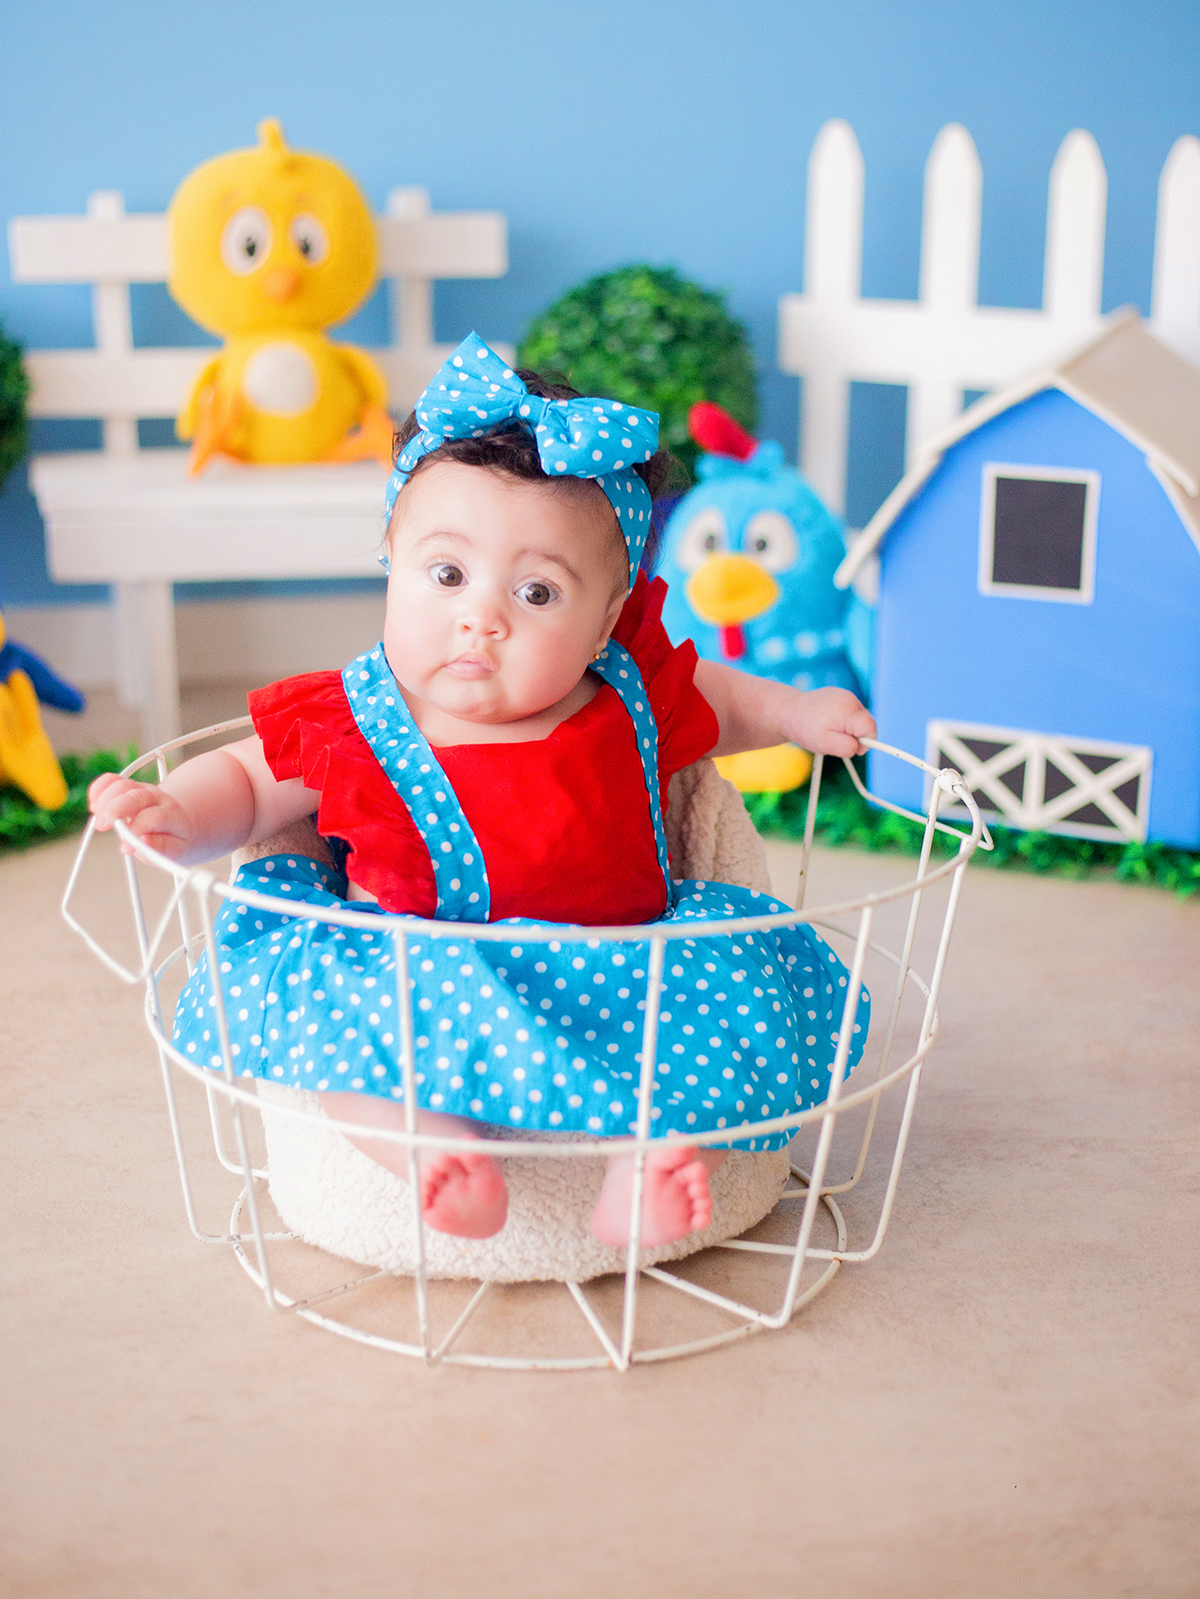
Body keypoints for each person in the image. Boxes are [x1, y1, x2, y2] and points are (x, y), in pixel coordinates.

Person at [89, 334, 875, 1249]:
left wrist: (799, 714)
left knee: (728, 993)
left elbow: (727, 700)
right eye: (448, 573)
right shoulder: (359, 718)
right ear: (391, 558)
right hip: (420, 968)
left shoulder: (631, 693)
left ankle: (649, 1163)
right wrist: (181, 814)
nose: (482, 616)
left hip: (625, 966)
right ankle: (430, 1153)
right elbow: (250, 778)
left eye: (538, 593)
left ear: (605, 619)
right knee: (343, 1026)